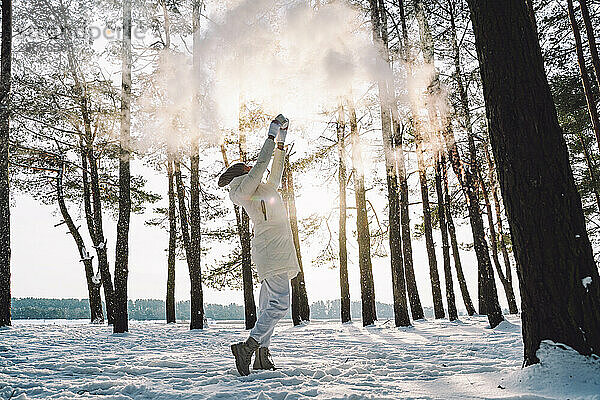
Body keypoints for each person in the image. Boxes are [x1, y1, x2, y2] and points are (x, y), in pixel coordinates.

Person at [218, 114, 300, 376]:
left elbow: (275, 170)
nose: (251, 170)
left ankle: (262, 357)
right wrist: (271, 133)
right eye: (247, 169)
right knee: (279, 305)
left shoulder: (260, 191)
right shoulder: (241, 190)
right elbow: (262, 165)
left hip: (276, 251)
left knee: (268, 306)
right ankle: (249, 347)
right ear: (241, 174)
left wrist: (281, 142)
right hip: (272, 252)